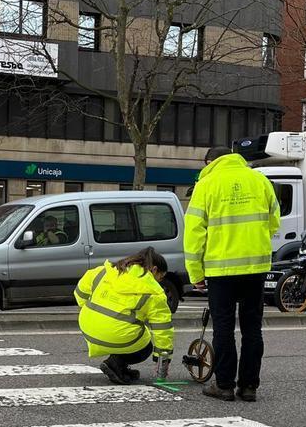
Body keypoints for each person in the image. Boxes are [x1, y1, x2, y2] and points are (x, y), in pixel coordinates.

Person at [184, 146, 280, 403]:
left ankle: (224, 385)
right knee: (252, 329)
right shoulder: (259, 180)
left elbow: (193, 233)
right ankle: (249, 386)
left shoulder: (207, 184)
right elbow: (274, 220)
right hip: (255, 267)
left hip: (221, 269)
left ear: (210, 161)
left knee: (223, 329)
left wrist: (196, 273)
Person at [74, 247, 174, 384]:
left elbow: (79, 294)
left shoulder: (105, 271)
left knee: (127, 326)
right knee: (145, 343)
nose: (159, 282)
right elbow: (162, 330)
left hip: (87, 326)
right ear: (154, 270)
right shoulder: (153, 292)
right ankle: (116, 363)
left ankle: (119, 365)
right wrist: (162, 359)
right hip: (115, 334)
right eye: (160, 278)